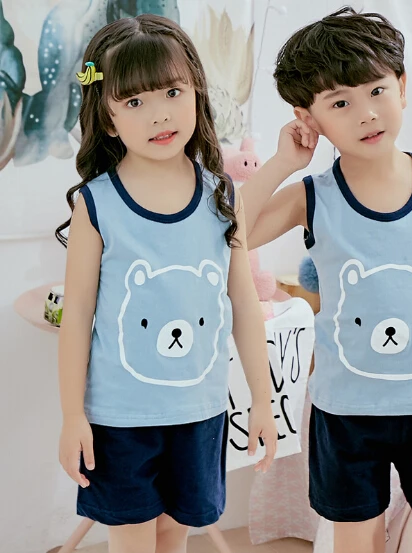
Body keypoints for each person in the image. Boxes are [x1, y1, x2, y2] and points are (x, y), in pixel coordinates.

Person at [240, 7, 412, 553]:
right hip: (347, 410)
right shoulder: (311, 197)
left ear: (402, 87)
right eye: (340, 103)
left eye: (376, 91)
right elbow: (229, 234)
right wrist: (283, 162)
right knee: (356, 541)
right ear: (309, 117)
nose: (366, 114)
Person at [56, 14, 277, 553]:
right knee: (132, 541)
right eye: (134, 101)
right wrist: (71, 416)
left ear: (196, 92)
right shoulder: (96, 205)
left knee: (174, 536)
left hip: (200, 414)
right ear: (108, 119)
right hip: (119, 420)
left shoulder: (221, 196)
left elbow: (244, 304)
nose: (159, 114)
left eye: (173, 92)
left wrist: (262, 399)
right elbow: (77, 317)